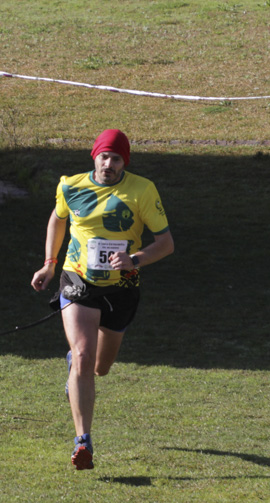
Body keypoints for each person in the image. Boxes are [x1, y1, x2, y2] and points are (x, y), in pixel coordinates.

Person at [30, 129, 174, 470]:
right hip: (77, 280)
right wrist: (50, 265)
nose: (109, 164)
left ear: (125, 162)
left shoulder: (142, 190)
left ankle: (75, 369)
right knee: (83, 355)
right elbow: (57, 219)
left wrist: (134, 260)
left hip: (121, 288)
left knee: (100, 367)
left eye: (117, 159)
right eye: (104, 156)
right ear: (94, 156)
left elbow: (166, 244)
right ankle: (83, 441)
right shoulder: (71, 185)